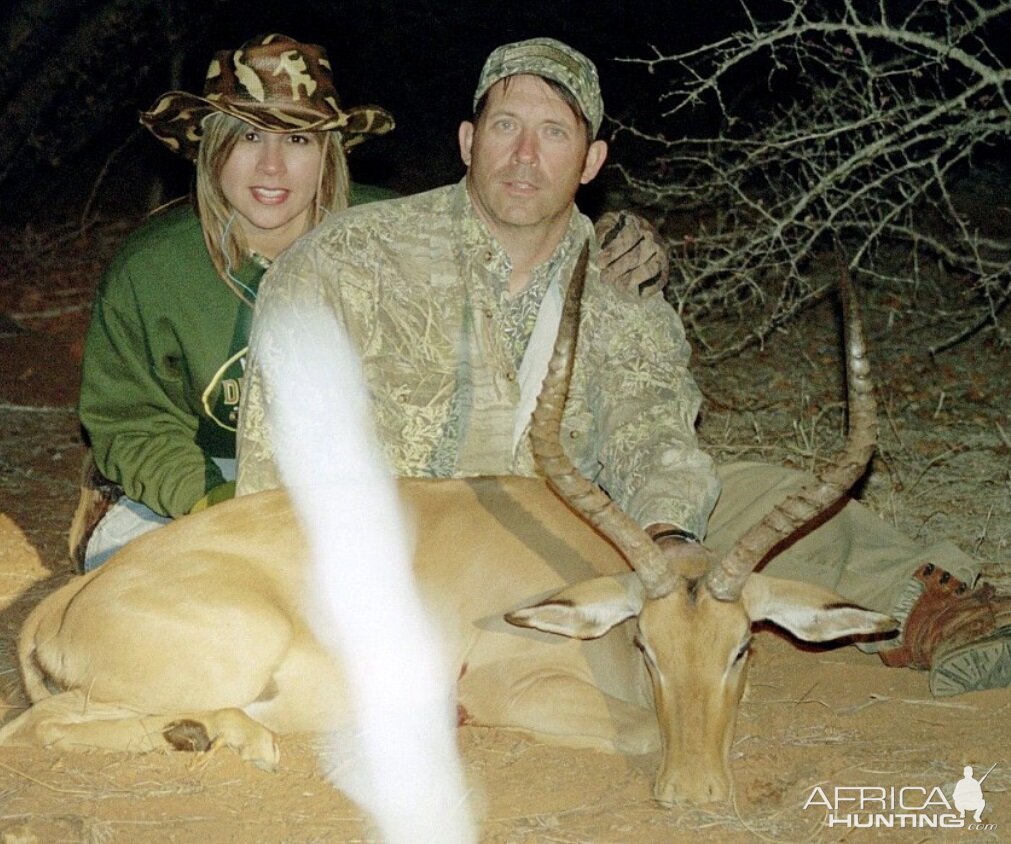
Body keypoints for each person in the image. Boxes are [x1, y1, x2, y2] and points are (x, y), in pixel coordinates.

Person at [236, 37, 1010, 698]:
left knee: (757, 494)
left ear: (592, 159)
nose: (525, 155)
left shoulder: (615, 277)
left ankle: (935, 613)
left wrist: (665, 535)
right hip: (412, 552)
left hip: (575, 536)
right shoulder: (341, 262)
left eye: (553, 132)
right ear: (468, 141)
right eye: (505, 125)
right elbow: (278, 479)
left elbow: (653, 426)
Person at [70, 33, 397, 572]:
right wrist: (223, 505)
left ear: (329, 153)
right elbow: (131, 424)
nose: (271, 166)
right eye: (248, 136)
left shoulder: (393, 240)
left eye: (297, 140)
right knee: (161, 600)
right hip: (203, 478)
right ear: (210, 148)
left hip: (365, 480)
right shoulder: (151, 269)